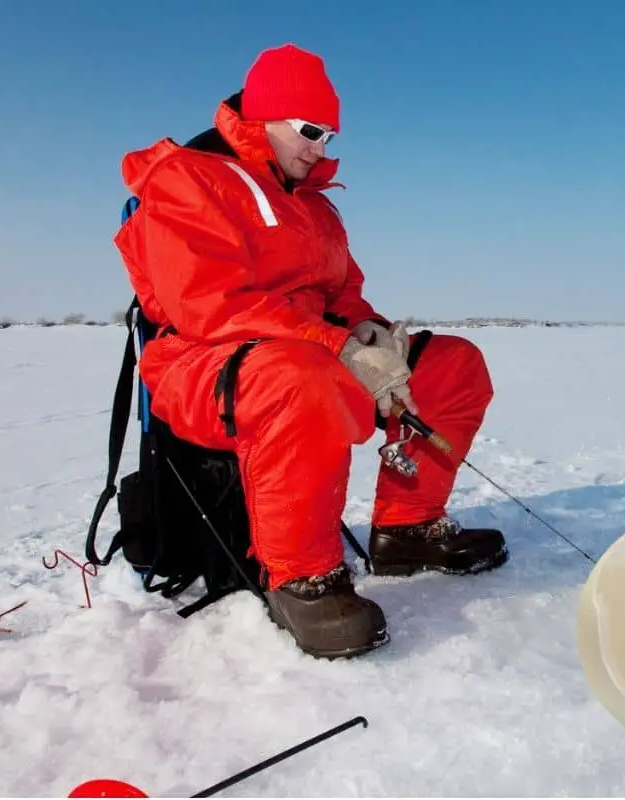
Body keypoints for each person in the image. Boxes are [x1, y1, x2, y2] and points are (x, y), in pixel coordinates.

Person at [112, 43, 508, 659]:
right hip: (201, 364)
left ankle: (406, 532)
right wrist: (338, 346)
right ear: (265, 116)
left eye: (329, 135)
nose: (322, 148)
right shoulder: (188, 178)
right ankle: (303, 578)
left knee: (453, 364)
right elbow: (207, 305)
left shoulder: (316, 207)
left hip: (310, 355)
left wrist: (374, 335)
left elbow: (344, 294)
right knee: (301, 377)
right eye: (311, 131)